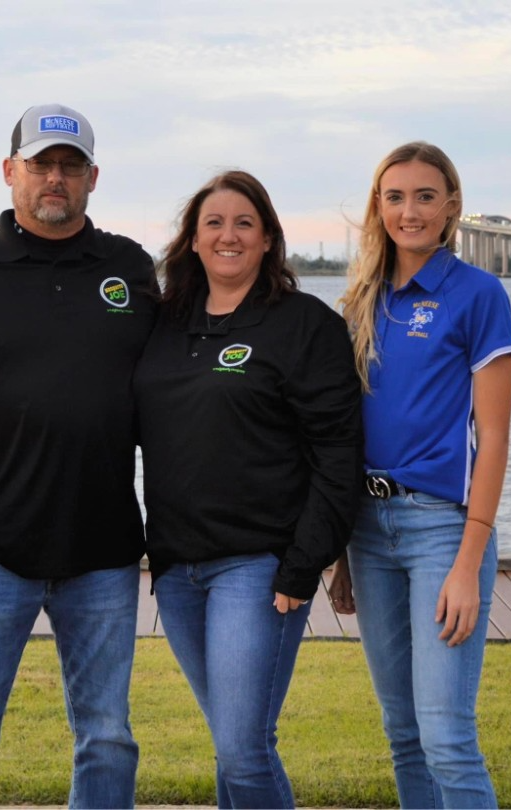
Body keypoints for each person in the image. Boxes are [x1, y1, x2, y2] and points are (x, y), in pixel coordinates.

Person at [0, 103, 158, 809]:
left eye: (70, 166)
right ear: (9, 172)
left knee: (108, 736)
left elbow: (181, 381)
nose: (55, 178)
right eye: (41, 164)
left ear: (92, 178)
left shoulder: (129, 268)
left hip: (105, 547)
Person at [133, 170, 362, 808]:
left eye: (244, 224)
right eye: (214, 223)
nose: (228, 235)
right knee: (235, 745)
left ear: (267, 240)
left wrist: (301, 565)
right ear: (194, 240)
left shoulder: (304, 326)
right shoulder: (166, 324)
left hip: (259, 568)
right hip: (177, 570)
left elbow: (339, 454)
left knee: (243, 749)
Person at [329, 141, 511, 809]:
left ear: (451, 206)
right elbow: (349, 434)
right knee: (402, 732)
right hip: (367, 533)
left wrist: (470, 563)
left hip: (442, 530)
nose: (410, 211)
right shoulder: (364, 300)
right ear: (379, 206)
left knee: (446, 737)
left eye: (425, 196)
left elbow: (494, 439)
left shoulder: (478, 295)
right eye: (395, 196)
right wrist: (341, 550)